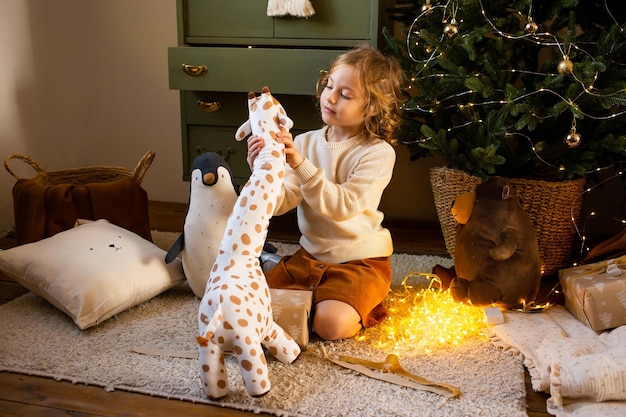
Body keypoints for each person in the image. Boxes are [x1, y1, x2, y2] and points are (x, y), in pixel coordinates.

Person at [246, 44, 405, 341]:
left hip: (360, 263)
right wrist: (263, 172)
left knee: (330, 326)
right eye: (329, 86)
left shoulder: (377, 153)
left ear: (370, 107)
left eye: (345, 95)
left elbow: (342, 207)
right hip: (309, 258)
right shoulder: (304, 143)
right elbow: (282, 202)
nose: (330, 97)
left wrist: (299, 164)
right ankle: (300, 294)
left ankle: (357, 300)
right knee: (247, 304)